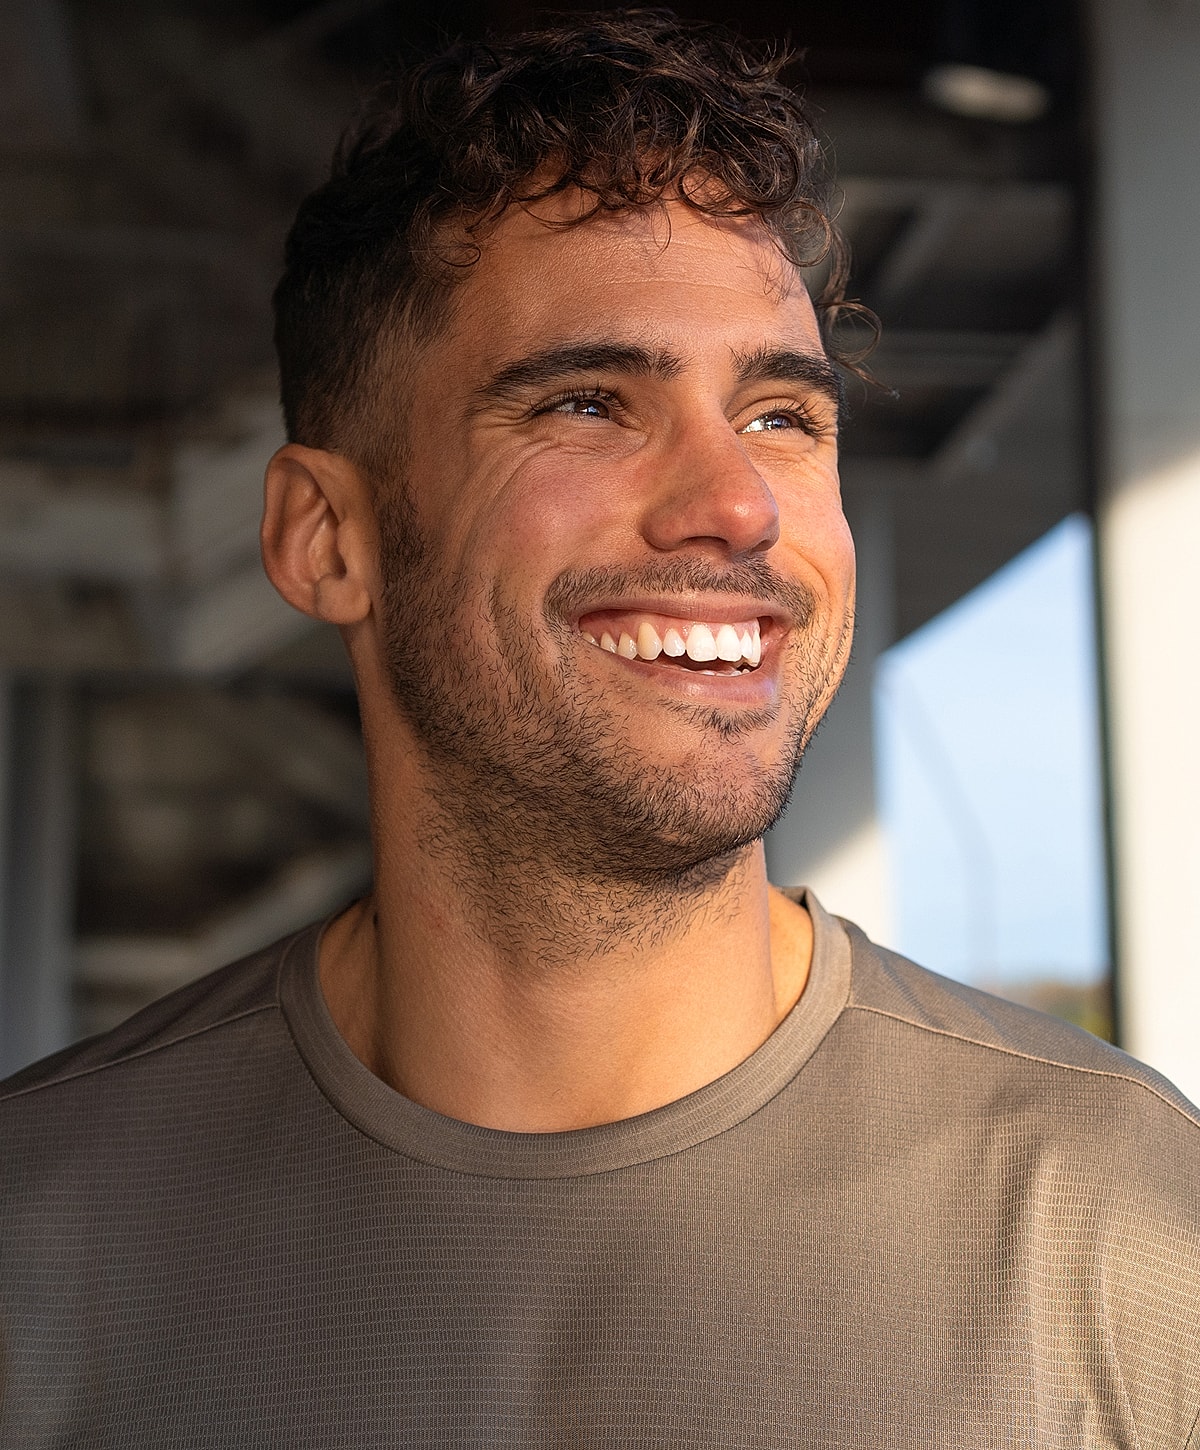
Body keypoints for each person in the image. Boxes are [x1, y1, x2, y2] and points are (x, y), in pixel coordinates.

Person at [2, 12, 1198, 1447]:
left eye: (779, 417)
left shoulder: (1122, 1224)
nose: (738, 504)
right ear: (326, 536)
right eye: (589, 402)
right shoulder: (42, 1235)